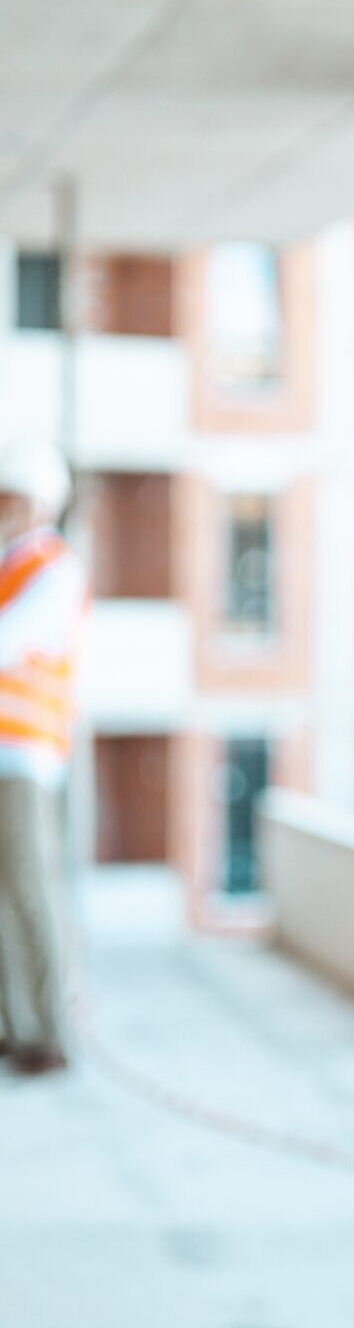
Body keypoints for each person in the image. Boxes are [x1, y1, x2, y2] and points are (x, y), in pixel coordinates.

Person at [0, 438, 87, 1078]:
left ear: (40, 503)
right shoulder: (9, 565)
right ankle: (17, 1026)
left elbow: (11, 643)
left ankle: (48, 1031)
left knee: (31, 890)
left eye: (12, 496)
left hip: (23, 758)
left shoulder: (52, 567)